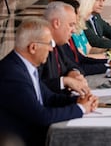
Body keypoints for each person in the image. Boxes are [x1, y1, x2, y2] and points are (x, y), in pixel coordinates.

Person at [0, 17, 98, 146]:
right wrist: (80, 108)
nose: (52, 49)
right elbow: (41, 117)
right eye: (49, 44)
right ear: (33, 47)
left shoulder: (26, 67)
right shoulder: (12, 73)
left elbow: (49, 98)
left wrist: (80, 100)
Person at [56, 0, 111, 75]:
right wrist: (110, 55)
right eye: (89, 8)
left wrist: (109, 58)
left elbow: (86, 54)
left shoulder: (77, 29)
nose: (91, 11)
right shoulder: (64, 38)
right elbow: (79, 62)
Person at [39, 1, 90, 95]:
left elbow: (72, 64)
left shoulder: (59, 43)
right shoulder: (38, 48)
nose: (74, 30)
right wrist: (64, 81)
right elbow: (36, 87)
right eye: (71, 25)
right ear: (56, 23)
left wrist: (74, 74)